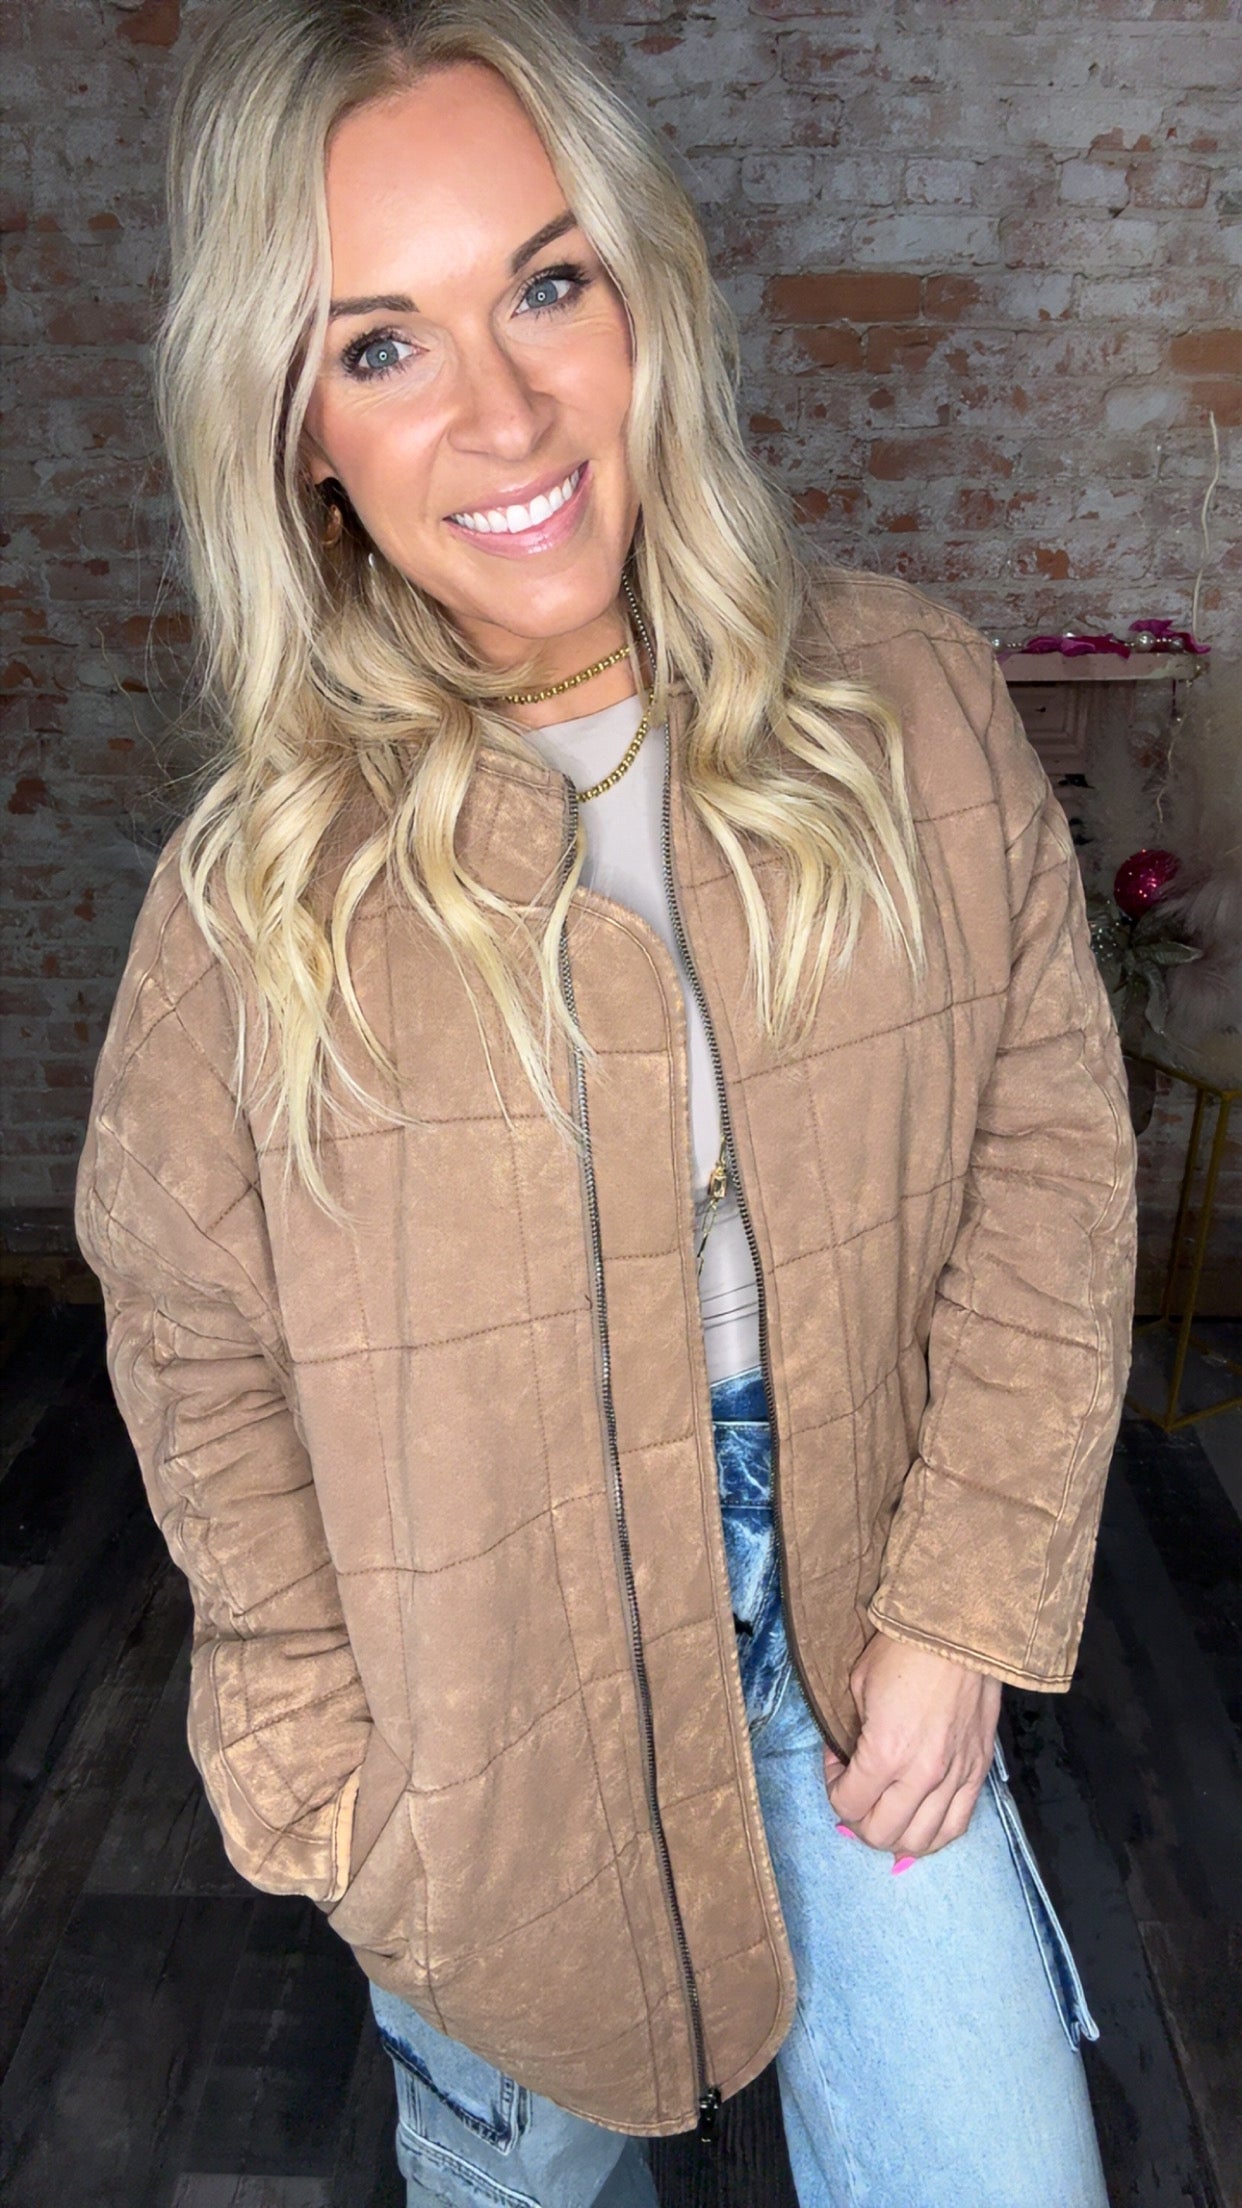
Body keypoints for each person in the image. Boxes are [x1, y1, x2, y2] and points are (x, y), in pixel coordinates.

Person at [74, 2, 1138, 2202]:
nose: (504, 411)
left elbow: (1047, 1158)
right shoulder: (254, 899)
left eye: (546, 285)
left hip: (852, 1613)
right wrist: (335, 1779)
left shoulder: (909, 703)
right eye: (382, 346)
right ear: (298, 433)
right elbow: (193, 1339)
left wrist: (963, 1606)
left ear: (642, 296)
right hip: (487, 1721)